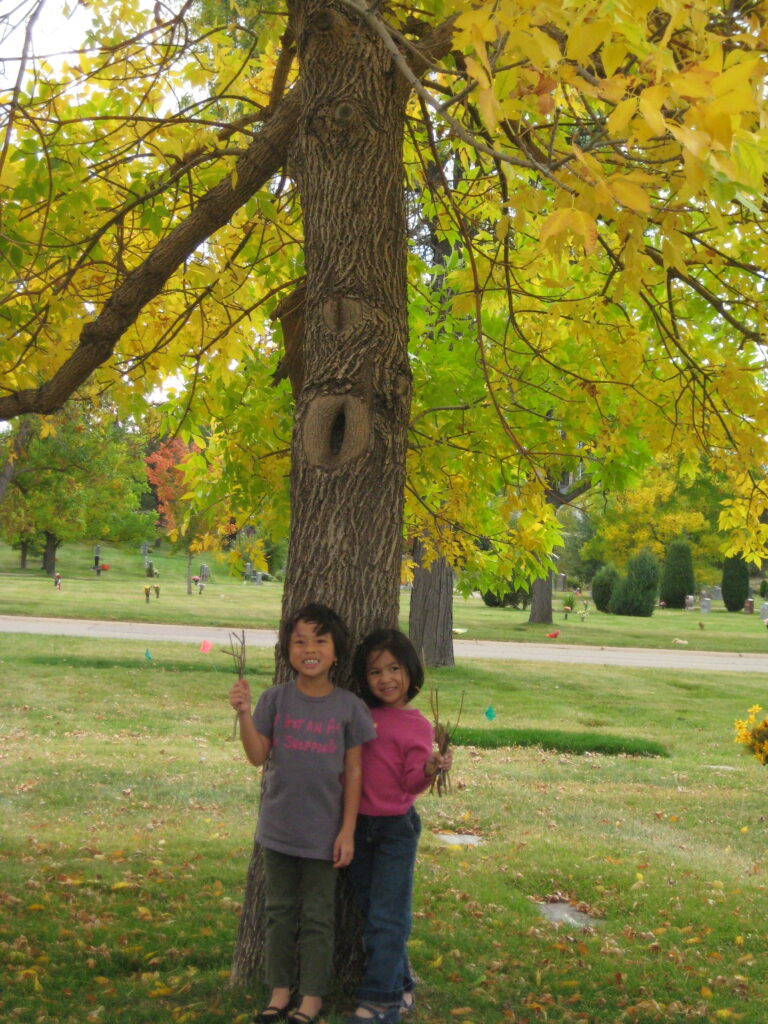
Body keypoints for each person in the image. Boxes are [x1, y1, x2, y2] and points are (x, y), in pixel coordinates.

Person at [229, 603, 377, 1024]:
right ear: (287, 650)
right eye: (299, 641)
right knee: (278, 912)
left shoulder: (349, 707)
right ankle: (279, 992)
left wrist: (347, 831)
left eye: (320, 641)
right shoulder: (275, 700)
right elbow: (257, 756)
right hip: (278, 830)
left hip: (324, 835)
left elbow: (354, 772)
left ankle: (312, 997)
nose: (309, 649)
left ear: (336, 651)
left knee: (317, 917)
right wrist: (244, 713)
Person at [344, 629, 452, 1024]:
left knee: (388, 918)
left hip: (394, 831)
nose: (386, 679)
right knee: (372, 912)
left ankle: (379, 1003)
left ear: (410, 671)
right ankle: (401, 985)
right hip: (356, 826)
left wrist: (428, 769)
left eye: (394, 669)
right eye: (375, 672)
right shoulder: (360, 714)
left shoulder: (417, 726)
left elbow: (410, 783)